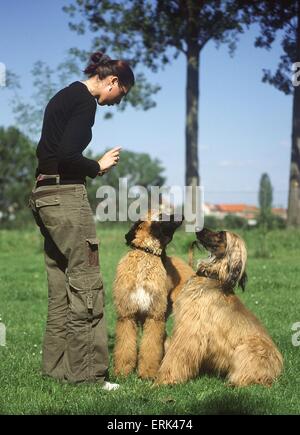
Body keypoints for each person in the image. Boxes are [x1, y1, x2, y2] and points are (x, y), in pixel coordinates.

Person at [28, 51, 135, 390]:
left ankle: (57, 367)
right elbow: (67, 156)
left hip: (44, 194)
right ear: (113, 82)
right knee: (88, 281)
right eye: (122, 95)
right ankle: (88, 374)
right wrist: (98, 167)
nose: (118, 103)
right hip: (66, 199)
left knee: (61, 285)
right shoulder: (85, 102)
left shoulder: (64, 96)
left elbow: (48, 153)